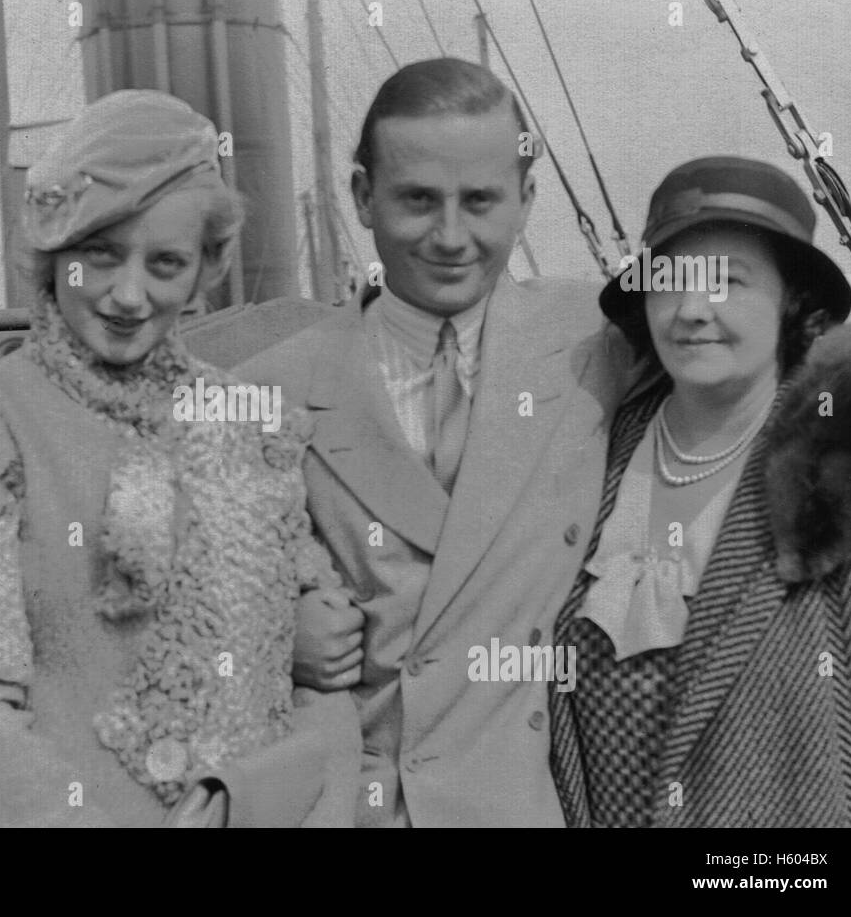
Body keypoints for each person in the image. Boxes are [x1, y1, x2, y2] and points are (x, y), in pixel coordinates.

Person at [0, 89, 360, 827]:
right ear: (52, 253)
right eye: (100, 256)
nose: (130, 295)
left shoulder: (248, 419)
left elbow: (323, 685)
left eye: (166, 263)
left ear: (206, 267)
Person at [238, 57, 636, 827]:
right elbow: (166, 603)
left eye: (480, 201)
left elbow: (764, 371)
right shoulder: (267, 390)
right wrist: (271, 637)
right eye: (418, 200)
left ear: (525, 201)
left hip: (522, 801)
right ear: (362, 196)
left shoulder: (602, 341)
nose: (451, 237)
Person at [548, 156, 851, 827]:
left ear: (793, 301)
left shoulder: (846, 463)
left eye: (728, 281)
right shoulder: (593, 450)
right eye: (671, 281)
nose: (693, 310)